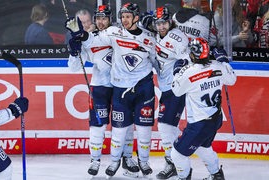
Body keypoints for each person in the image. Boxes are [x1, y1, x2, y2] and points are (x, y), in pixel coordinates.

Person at [66, 2, 157, 178]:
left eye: (104, 18)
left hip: (119, 86)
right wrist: (73, 51)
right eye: (98, 18)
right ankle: (95, 160)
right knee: (98, 125)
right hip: (100, 87)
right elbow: (74, 67)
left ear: (110, 19)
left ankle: (127, 158)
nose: (100, 22)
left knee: (126, 126)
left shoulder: (117, 32)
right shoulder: (91, 38)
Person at [170, 37, 237, 180]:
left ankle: (184, 177)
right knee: (203, 147)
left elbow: (176, 90)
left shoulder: (189, 72)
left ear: (193, 54)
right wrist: (224, 61)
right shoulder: (217, 66)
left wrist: (176, 71)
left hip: (199, 123)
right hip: (215, 119)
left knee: (177, 154)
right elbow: (231, 80)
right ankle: (216, 175)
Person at [141, 6, 191, 180]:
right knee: (170, 128)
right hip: (165, 88)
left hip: (176, 89)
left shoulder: (178, 38)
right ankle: (179, 163)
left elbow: (188, 59)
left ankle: (172, 163)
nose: (161, 26)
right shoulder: (154, 34)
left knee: (164, 126)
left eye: (164, 23)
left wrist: (180, 71)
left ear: (171, 22)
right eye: (158, 23)